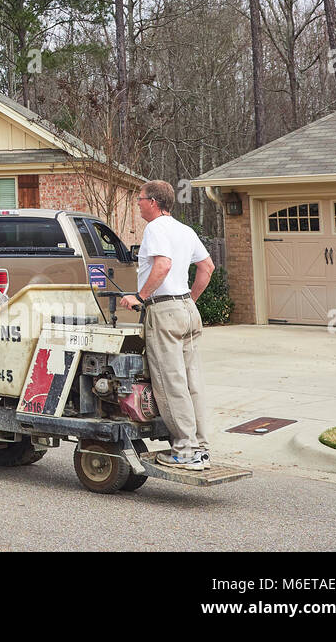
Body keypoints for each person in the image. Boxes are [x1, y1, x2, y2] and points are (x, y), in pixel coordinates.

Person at [120, 180, 215, 470]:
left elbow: (162, 265)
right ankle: (201, 448)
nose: (137, 204)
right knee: (191, 382)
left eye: (139, 200)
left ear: (153, 202)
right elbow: (207, 267)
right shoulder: (184, 230)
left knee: (170, 383)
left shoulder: (156, 229)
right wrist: (189, 300)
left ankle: (185, 452)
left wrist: (139, 297)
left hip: (164, 310)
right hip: (187, 308)